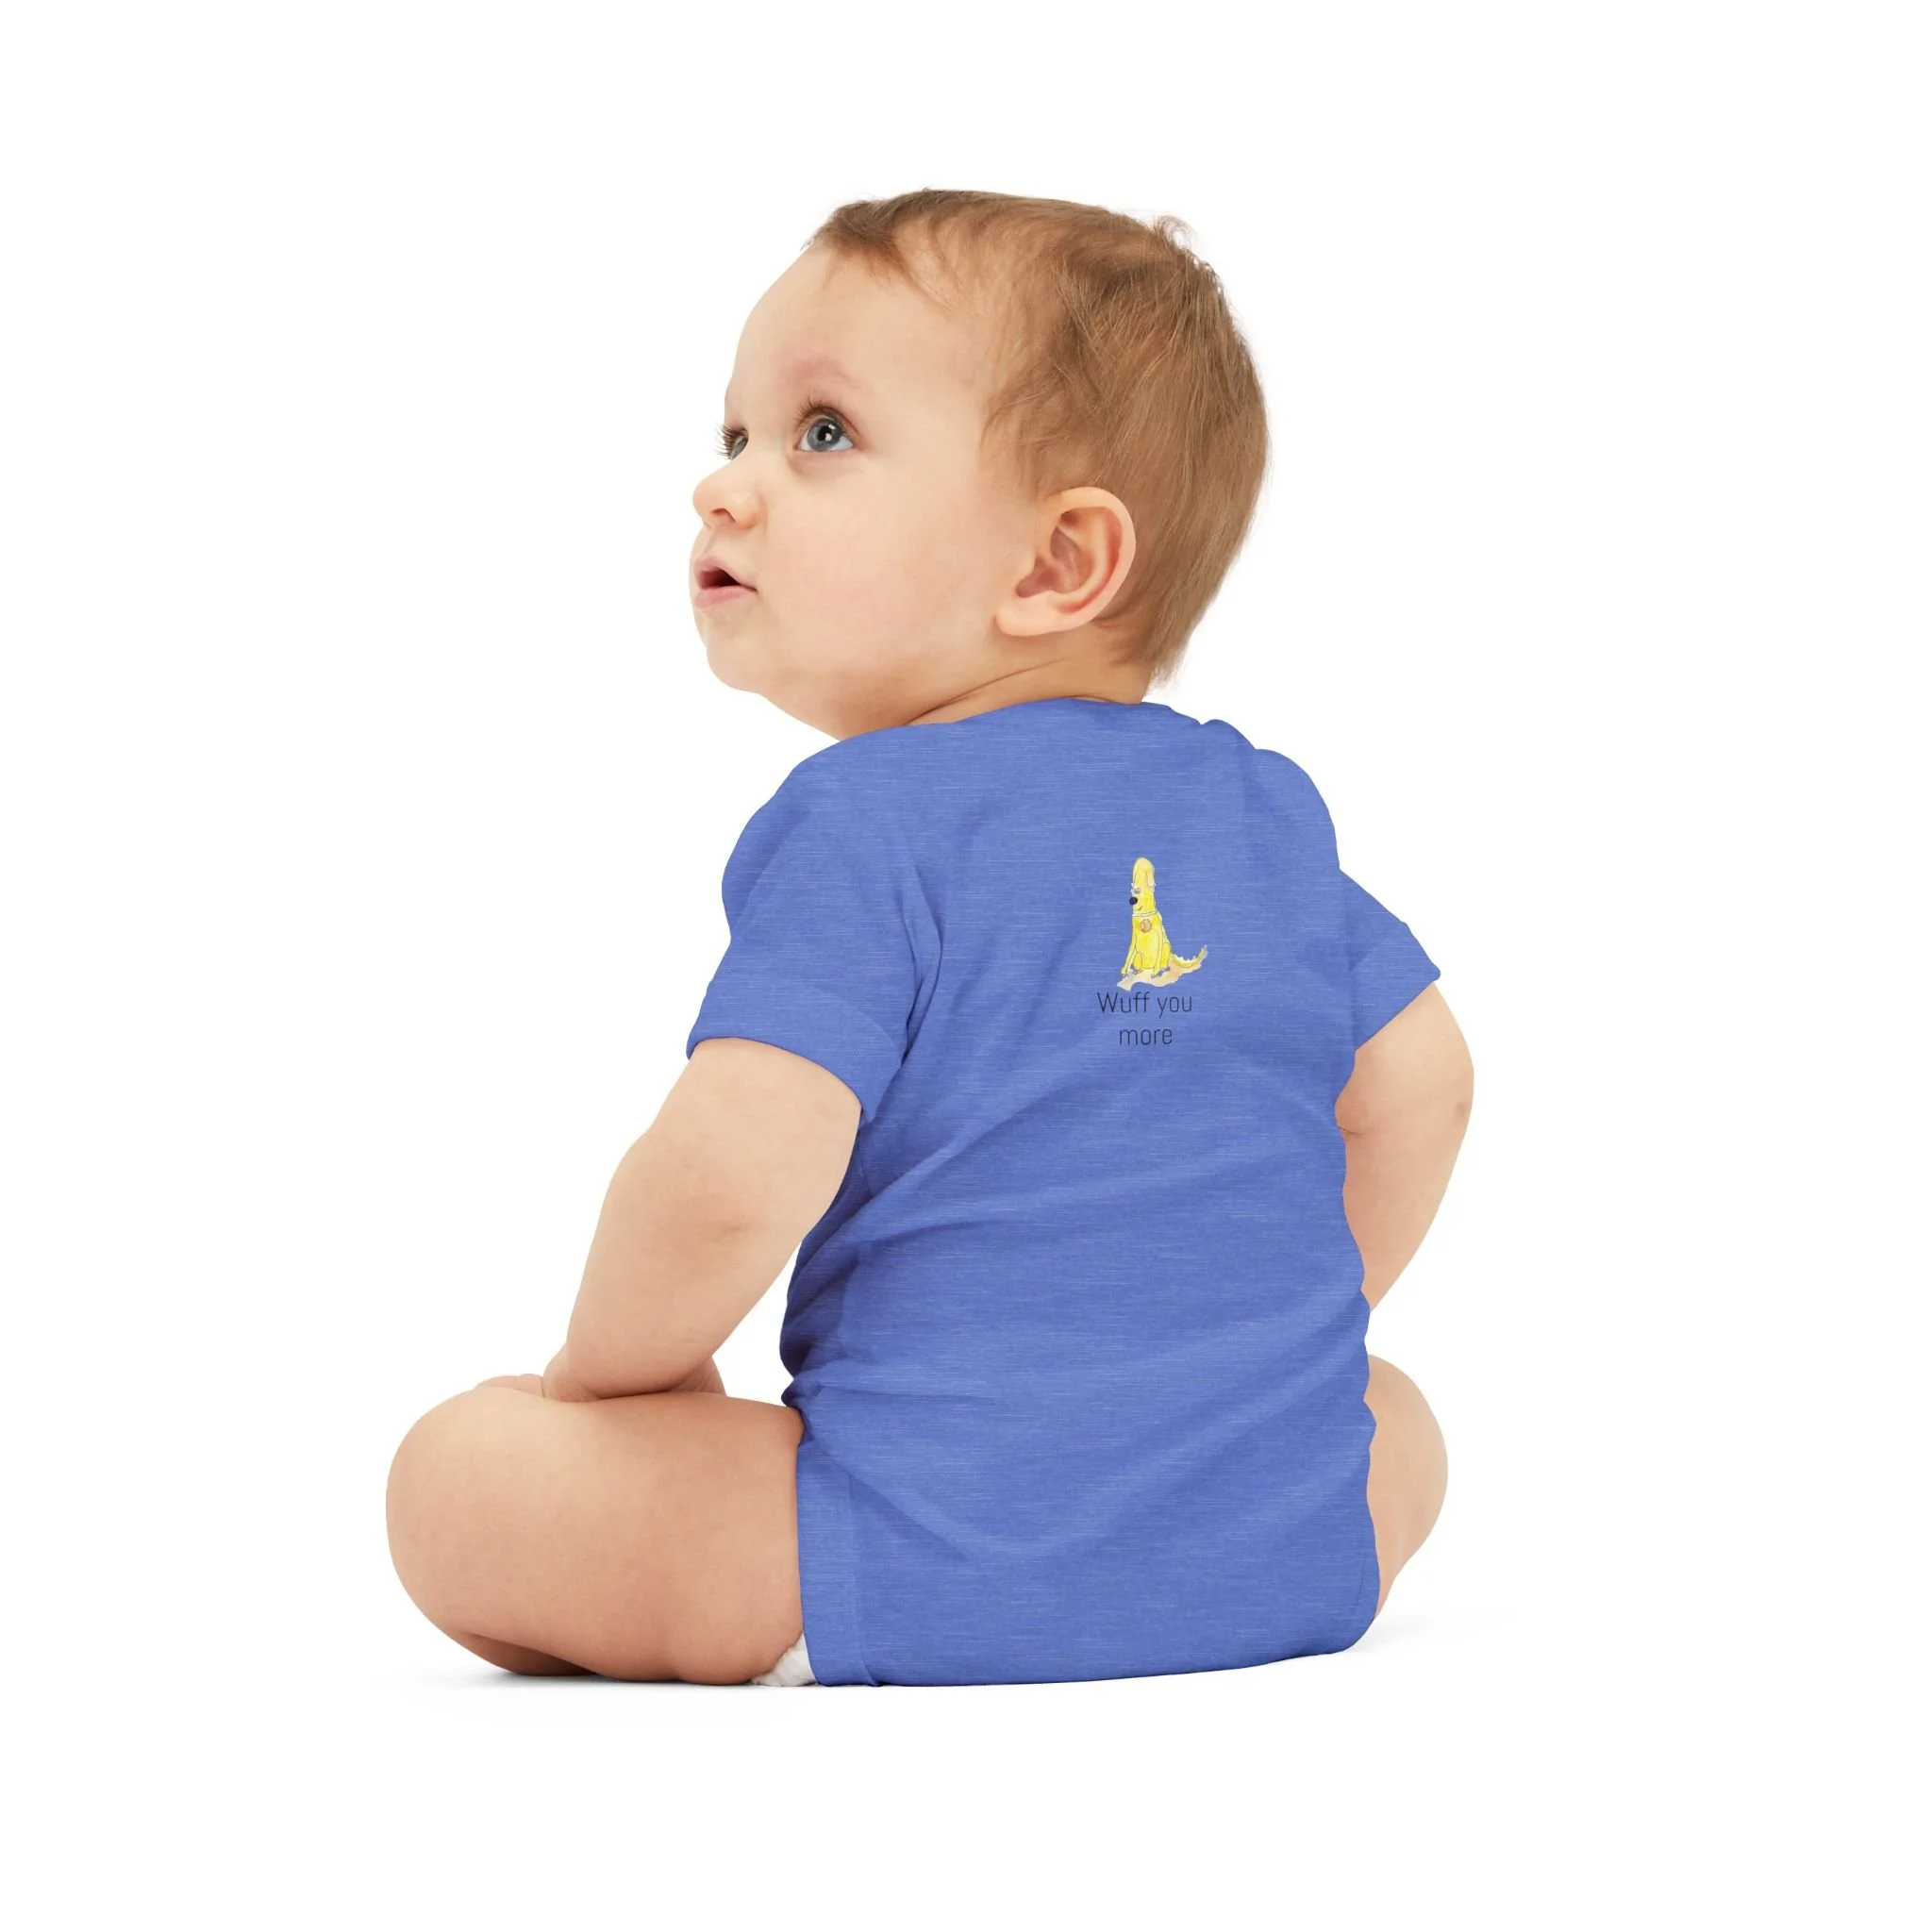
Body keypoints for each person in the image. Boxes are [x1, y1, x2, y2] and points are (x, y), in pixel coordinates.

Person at [385, 189, 1474, 1688]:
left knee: (453, 1476)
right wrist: (1249, 1372)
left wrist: (610, 1381)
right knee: (1392, 1413)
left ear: (1056, 564)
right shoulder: (1263, 812)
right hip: (1272, 1547)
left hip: (916, 1548)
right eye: (734, 434)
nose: (726, 486)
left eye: (821, 434)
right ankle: (1231, 1514)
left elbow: (726, 1180)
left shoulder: (867, 822)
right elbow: (1424, 1084)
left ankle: (865, 1587)